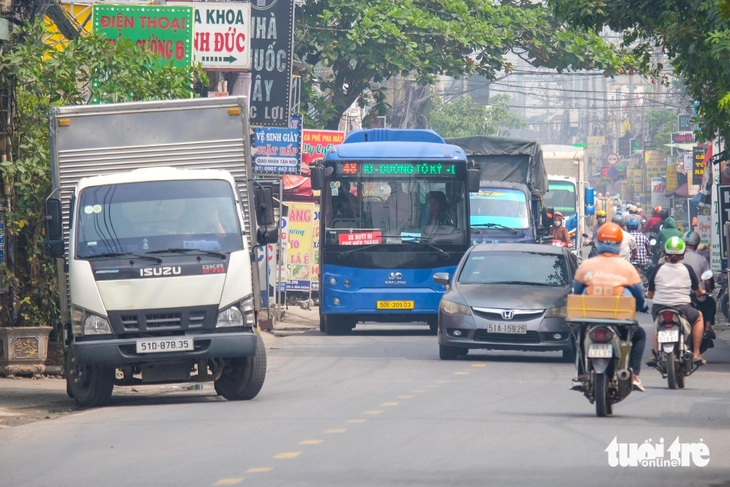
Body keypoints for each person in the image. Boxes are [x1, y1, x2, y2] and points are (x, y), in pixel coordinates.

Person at [572, 223, 648, 392]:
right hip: (618, 319)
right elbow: (639, 294)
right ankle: (633, 375)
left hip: (589, 318)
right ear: (619, 242)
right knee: (639, 336)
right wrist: (642, 306)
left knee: (575, 335)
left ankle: (581, 374)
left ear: (598, 241)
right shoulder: (627, 267)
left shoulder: (586, 265)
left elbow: (576, 291)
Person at [646, 236, 707, 366]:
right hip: (683, 309)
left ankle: (654, 354)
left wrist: (648, 295)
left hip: (659, 308)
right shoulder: (687, 269)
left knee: (657, 326)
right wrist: (701, 292)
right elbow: (697, 290)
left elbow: (650, 292)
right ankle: (696, 353)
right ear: (683, 253)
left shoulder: (658, 268)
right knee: (699, 317)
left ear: (665, 252)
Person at [682, 231, 716, 340]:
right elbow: (707, 281)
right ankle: (707, 327)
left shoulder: (677, 259)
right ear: (697, 244)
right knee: (710, 303)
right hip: (696, 295)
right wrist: (708, 290)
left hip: (679, 296)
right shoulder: (702, 259)